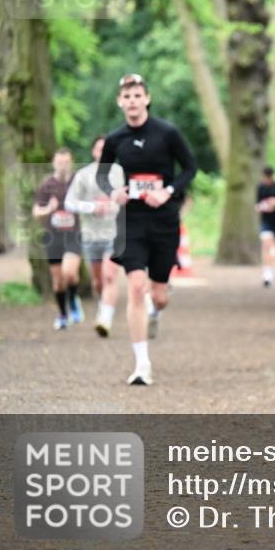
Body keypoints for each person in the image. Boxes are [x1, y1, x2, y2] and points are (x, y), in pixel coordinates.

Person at [97, 73, 197, 385]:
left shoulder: (167, 132)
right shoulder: (115, 140)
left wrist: (167, 191)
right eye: (127, 97)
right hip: (131, 221)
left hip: (164, 219)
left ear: (147, 99)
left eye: (138, 95)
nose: (132, 101)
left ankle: (157, 309)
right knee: (136, 287)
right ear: (120, 102)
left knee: (159, 294)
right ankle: (142, 364)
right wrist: (115, 191)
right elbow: (102, 176)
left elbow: (190, 168)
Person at [65, 136, 125, 337]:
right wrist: (91, 207)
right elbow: (69, 202)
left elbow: (131, 198)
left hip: (115, 234)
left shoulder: (121, 173)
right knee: (98, 281)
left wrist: (116, 205)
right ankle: (103, 305)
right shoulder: (83, 175)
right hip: (91, 235)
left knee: (110, 275)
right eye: (100, 149)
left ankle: (105, 319)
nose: (103, 152)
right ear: (94, 152)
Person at [32, 148, 84, 330]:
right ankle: (62, 314)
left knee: (70, 272)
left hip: (73, 235)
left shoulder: (78, 182)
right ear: (54, 163)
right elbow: (36, 212)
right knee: (58, 280)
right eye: (59, 163)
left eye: (66, 162)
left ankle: (73, 301)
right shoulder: (47, 185)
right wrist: (49, 209)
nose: (63, 166)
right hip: (53, 236)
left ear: (71, 163)